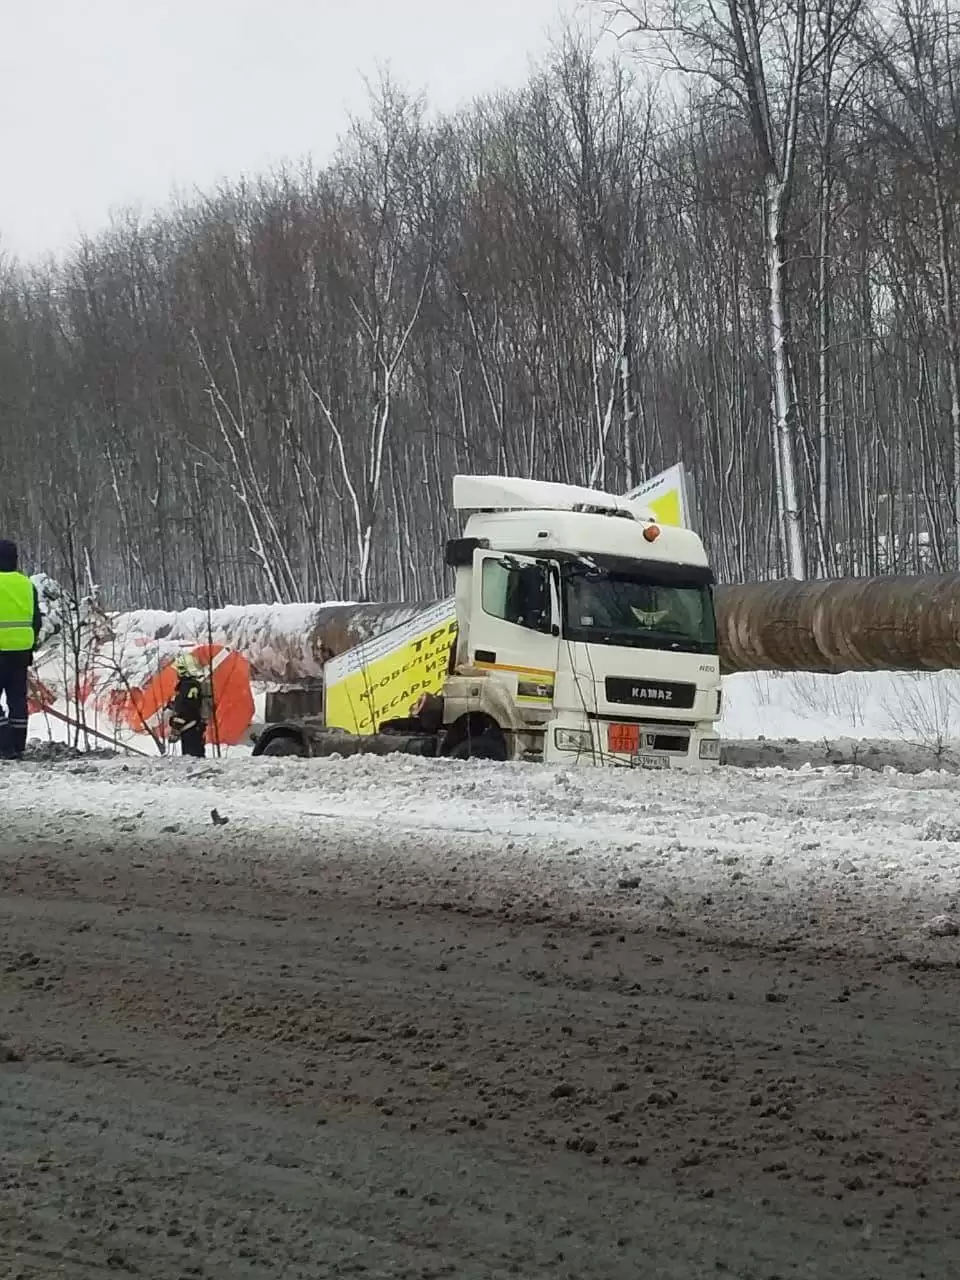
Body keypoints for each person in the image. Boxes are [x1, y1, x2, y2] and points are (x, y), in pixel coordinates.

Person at [0, 539, 43, 762]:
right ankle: (18, 746)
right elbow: (37, 619)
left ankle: (4, 744)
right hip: (21, 651)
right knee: (17, 699)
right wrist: (30, 644)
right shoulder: (27, 584)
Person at [166, 653, 209, 758]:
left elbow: (188, 708)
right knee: (195, 756)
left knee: (193, 758)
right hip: (194, 727)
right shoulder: (191, 685)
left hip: (191, 728)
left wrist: (175, 722)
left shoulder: (188, 686)